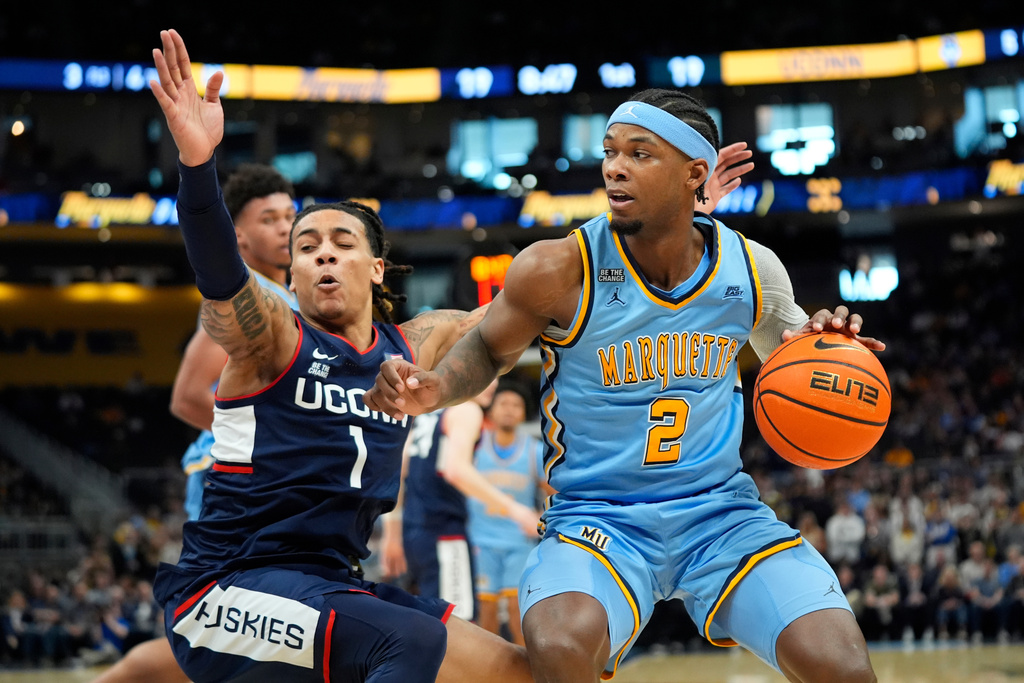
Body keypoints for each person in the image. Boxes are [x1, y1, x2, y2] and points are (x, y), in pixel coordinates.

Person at [365, 87, 882, 682]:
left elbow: (790, 352)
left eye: (640, 153)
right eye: (611, 151)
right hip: (597, 520)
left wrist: (824, 340)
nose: (615, 165)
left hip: (721, 514)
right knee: (557, 645)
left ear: (695, 174)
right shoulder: (559, 267)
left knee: (843, 666)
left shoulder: (752, 269)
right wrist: (437, 388)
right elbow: (487, 347)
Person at [141, 29, 532, 683]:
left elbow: (513, 311)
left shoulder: (415, 341)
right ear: (288, 275)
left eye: (341, 241)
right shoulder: (274, 337)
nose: (322, 252)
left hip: (329, 583)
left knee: (518, 670)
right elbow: (218, 270)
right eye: (306, 244)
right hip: (224, 589)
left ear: (377, 267)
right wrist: (197, 165)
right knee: (402, 642)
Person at [90, 161, 299, 683]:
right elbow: (186, 398)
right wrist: (272, 445)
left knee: (242, 632)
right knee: (223, 629)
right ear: (239, 236)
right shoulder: (243, 297)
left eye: (290, 216)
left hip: (263, 482)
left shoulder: (289, 297)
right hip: (232, 480)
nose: (285, 228)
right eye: (269, 218)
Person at [467, 383, 551, 645]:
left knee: (518, 613)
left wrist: (540, 518)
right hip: (481, 543)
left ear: (523, 413)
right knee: (485, 616)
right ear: (490, 410)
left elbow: (555, 494)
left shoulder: (533, 451)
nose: (509, 410)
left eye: (516, 405)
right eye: (503, 403)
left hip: (518, 544)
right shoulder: (473, 447)